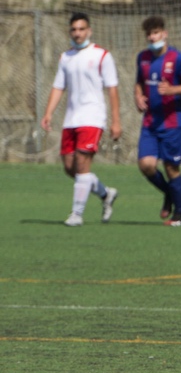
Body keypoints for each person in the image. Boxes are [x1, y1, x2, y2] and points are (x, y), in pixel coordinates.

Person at [40, 12, 121, 226]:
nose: (77, 33)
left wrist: (115, 121)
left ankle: (76, 214)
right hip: (71, 119)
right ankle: (106, 194)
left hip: (93, 117)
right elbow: (59, 86)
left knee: (83, 165)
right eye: (74, 29)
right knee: (70, 168)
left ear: (89, 31)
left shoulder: (102, 55)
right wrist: (48, 113)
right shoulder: (65, 57)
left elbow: (112, 89)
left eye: (81, 29)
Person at [134, 16, 181, 226]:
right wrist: (137, 96)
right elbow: (139, 82)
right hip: (150, 123)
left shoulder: (178, 58)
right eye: (149, 34)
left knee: (172, 168)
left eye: (156, 33)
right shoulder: (142, 57)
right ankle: (170, 194)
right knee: (146, 165)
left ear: (164, 33)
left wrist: (173, 90)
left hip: (173, 122)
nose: (152, 37)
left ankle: (179, 215)